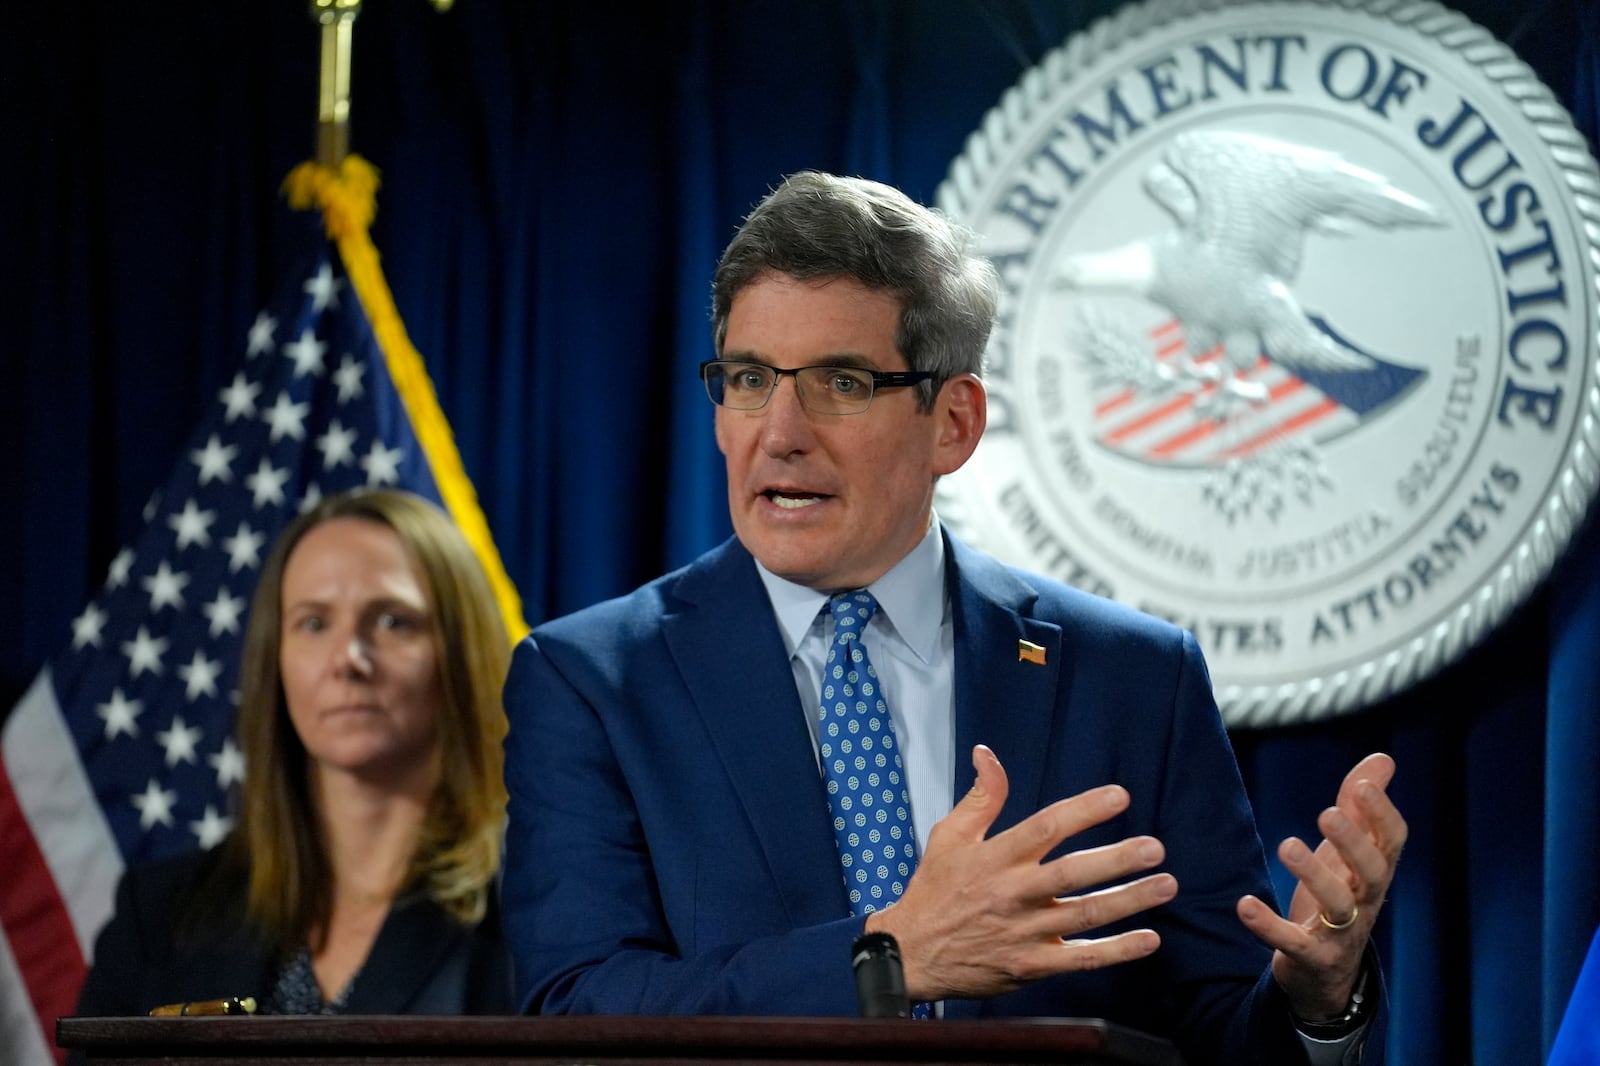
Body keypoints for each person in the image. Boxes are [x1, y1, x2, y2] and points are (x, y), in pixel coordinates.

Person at [500, 172, 1407, 1065]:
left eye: (841, 383)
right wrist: (888, 959)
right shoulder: (589, 681)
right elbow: (577, 1013)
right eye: (747, 378)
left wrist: (1314, 1002)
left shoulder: (1134, 678)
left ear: (955, 423)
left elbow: (1213, 1035)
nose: (779, 431)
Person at [76, 489, 515, 1018]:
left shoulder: (537, 913)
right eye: (313, 623)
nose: (348, 658)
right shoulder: (160, 916)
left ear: (461, 654)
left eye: (393, 620)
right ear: (274, 660)